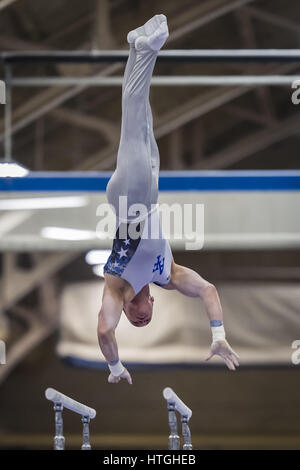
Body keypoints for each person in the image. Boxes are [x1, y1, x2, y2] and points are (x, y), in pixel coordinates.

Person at [98, 14, 239, 384]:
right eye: (145, 319)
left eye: (133, 318)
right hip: (147, 194)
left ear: (128, 307)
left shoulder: (117, 288)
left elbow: (103, 331)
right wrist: (219, 335)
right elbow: (208, 290)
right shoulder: (169, 274)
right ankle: (134, 43)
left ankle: (148, 48)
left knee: (133, 122)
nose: (139, 319)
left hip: (131, 202)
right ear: (154, 303)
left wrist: (115, 366)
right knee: (143, 123)